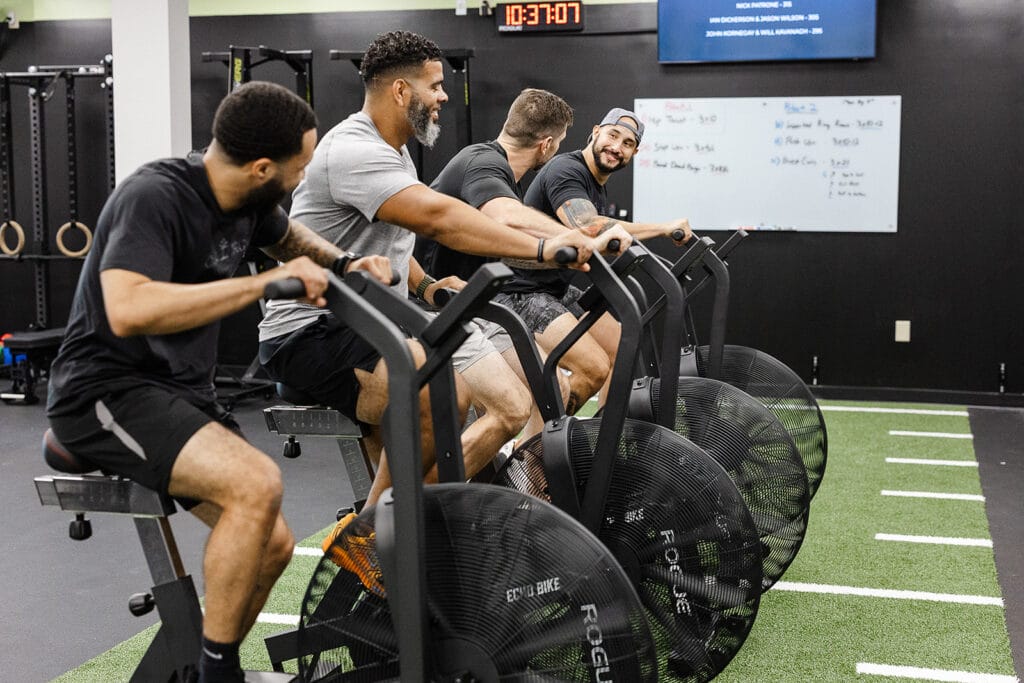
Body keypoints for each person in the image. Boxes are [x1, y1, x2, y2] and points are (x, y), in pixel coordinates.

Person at [45, 81, 393, 683]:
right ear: (263, 168)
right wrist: (262, 287)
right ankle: (217, 672)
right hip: (105, 392)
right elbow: (129, 307)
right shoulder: (154, 197)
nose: (304, 175)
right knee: (257, 485)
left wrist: (342, 263)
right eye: (300, 166)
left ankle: (206, 662)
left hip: (181, 395)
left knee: (274, 545)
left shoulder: (251, 201)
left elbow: (285, 238)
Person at [257, 31, 628, 573]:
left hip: (375, 321)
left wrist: (427, 286)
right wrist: (548, 246)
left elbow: (389, 242)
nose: (445, 96)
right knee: (441, 395)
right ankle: (376, 534)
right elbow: (441, 220)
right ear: (402, 91)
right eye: (436, 86)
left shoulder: (395, 152)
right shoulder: (355, 150)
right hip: (311, 331)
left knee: (505, 401)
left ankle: (413, 535)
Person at [494, 108, 693, 417]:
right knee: (593, 368)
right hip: (520, 292)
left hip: (553, 289)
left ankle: (600, 445)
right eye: (613, 135)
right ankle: (537, 456)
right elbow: (586, 225)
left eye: (627, 143)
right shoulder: (566, 169)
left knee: (623, 346)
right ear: (597, 131)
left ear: (634, 152)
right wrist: (663, 228)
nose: (617, 147)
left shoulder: (595, 181)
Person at [424, 87, 587, 441]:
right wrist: (573, 238)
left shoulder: (493, 167)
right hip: (433, 308)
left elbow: (501, 243)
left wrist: (558, 253)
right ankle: (437, 493)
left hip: (472, 306)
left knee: (553, 387)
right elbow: (504, 216)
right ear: (546, 145)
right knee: (512, 407)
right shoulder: (484, 163)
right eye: (560, 141)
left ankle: (522, 483)